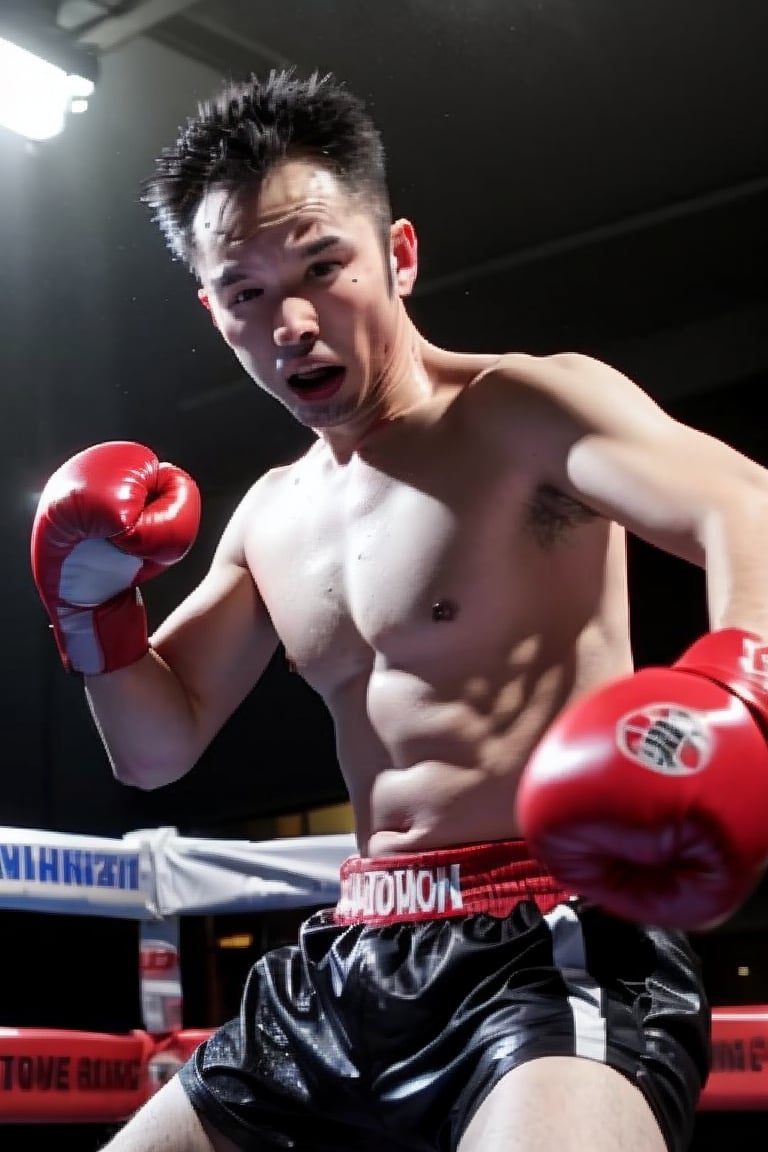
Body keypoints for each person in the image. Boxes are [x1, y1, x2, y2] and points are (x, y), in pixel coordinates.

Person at [29, 68, 768, 1152]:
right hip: (348, 957)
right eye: (246, 291)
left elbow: (743, 503)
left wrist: (735, 693)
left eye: (325, 267)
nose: (291, 321)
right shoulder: (272, 516)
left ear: (399, 255)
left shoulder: (522, 411)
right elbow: (155, 746)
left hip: (549, 946)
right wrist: (88, 610)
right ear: (213, 309)